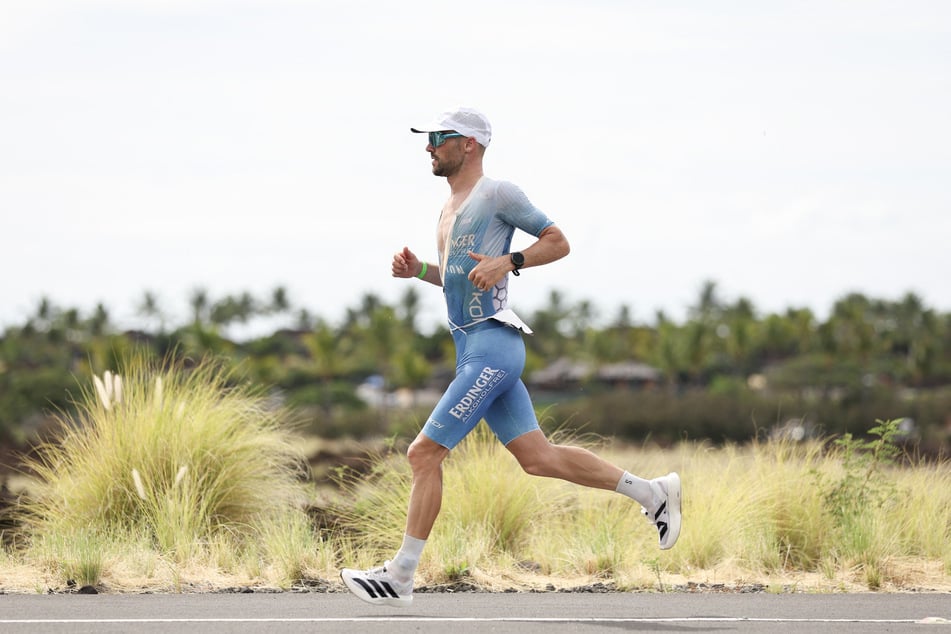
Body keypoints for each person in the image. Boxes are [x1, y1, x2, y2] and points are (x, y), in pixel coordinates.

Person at [340, 106, 681, 607]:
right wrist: (420, 272)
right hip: (472, 350)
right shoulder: (449, 206)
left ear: (469, 144)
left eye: (438, 136)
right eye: (427, 137)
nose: (428, 146)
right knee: (538, 459)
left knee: (423, 454)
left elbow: (557, 242)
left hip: (493, 349)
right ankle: (653, 494)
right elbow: (462, 278)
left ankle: (402, 575)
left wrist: (511, 260)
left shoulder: (499, 193)